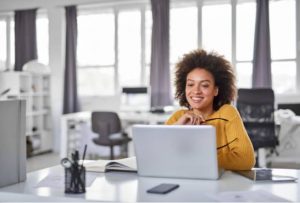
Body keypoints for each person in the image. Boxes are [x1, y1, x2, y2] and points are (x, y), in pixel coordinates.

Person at [165, 49, 255, 170]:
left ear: (216, 90)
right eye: (190, 84)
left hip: (222, 186)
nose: (196, 91)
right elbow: (158, 157)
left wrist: (195, 159)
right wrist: (177, 129)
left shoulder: (227, 113)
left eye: (205, 85)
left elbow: (245, 159)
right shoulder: (178, 118)